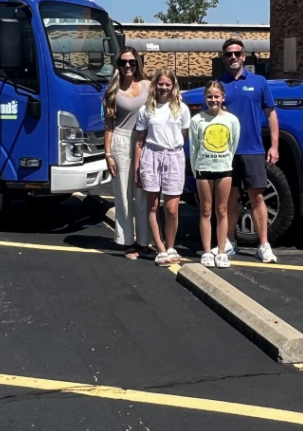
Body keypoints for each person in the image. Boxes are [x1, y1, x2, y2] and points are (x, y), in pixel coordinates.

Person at [218, 38, 280, 263]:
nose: (233, 57)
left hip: (253, 149)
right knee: (230, 197)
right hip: (225, 152)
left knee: (257, 196)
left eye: (237, 53)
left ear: (244, 56)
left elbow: (271, 114)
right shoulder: (218, 85)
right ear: (223, 57)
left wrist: (274, 146)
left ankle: (263, 245)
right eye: (229, 54)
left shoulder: (259, 82)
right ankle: (229, 242)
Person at [134, 68, 190, 267]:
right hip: (151, 155)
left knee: (172, 209)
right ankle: (160, 248)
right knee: (153, 205)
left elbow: (184, 134)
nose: (164, 87)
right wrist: (137, 168)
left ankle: (171, 246)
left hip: (173, 156)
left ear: (173, 86)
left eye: (168, 84)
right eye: (160, 83)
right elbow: (140, 140)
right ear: (155, 85)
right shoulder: (146, 109)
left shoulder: (181, 109)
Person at [102, 47, 151, 260]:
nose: (128, 66)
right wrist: (108, 154)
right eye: (123, 62)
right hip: (121, 141)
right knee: (123, 193)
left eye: (132, 62)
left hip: (145, 141)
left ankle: (144, 240)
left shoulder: (148, 86)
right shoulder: (113, 91)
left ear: (138, 63)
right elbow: (109, 126)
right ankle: (127, 241)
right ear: (118, 66)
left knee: (144, 192)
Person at [189, 80, 240, 268]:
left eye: (216, 96)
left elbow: (233, 145)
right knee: (205, 210)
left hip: (224, 169)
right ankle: (207, 251)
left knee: (222, 210)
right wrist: (196, 170)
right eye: (209, 96)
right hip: (203, 169)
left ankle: (221, 251)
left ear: (223, 97)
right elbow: (193, 148)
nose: (213, 100)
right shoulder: (197, 120)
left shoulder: (232, 120)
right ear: (205, 98)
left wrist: (224, 161)